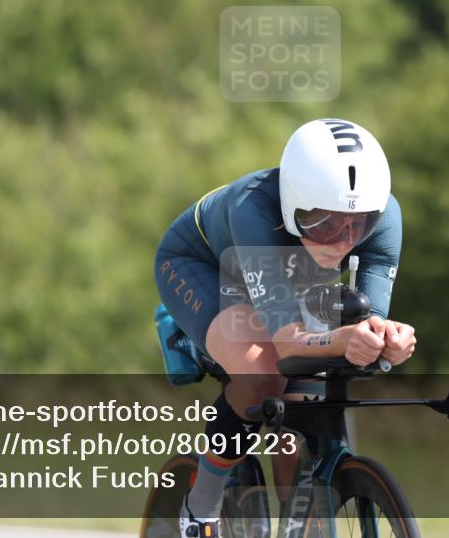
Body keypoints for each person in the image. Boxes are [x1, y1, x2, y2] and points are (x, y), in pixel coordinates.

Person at [154, 118, 416, 537]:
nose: (343, 241)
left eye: (358, 225)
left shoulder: (384, 216)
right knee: (263, 376)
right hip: (203, 268)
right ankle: (199, 508)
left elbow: (369, 323)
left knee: (300, 422)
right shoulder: (253, 208)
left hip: (287, 281)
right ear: (293, 205)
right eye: (324, 223)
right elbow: (288, 342)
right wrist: (341, 338)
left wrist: (388, 340)